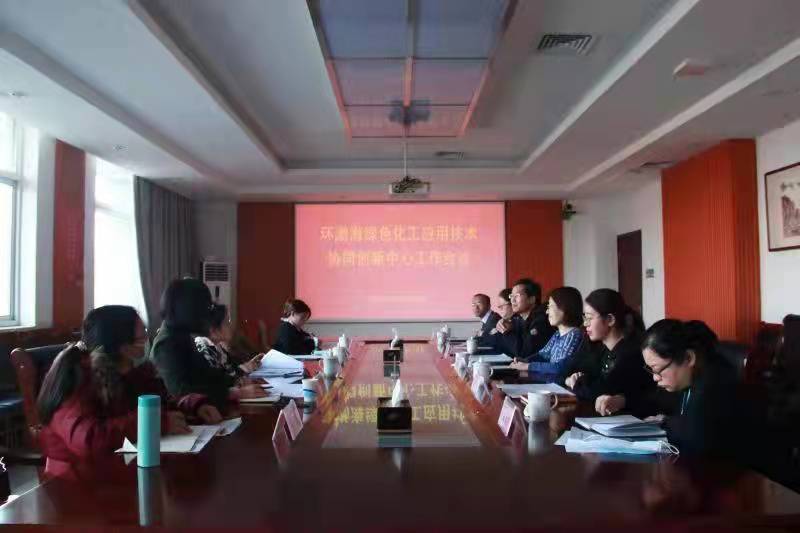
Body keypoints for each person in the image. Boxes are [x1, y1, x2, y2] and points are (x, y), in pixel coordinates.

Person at [37, 305, 222, 478]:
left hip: (119, 470)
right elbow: (88, 439)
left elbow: (162, 405)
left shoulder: (132, 371)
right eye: (142, 336)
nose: (148, 340)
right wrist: (155, 424)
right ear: (124, 347)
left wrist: (194, 405)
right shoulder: (77, 377)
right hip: (76, 482)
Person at [641, 319, 767, 460]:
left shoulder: (714, 390)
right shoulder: (692, 379)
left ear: (689, 358)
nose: (655, 377)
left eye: (657, 369)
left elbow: (694, 447)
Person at [150, 278, 266, 409]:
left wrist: (237, 381)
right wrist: (235, 393)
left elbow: (209, 375)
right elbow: (181, 391)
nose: (208, 314)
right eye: (206, 307)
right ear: (189, 310)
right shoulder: (165, 344)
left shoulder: (182, 335)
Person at [563, 289, 653, 416]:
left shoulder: (630, 354)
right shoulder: (603, 349)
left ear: (610, 320)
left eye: (589, 318)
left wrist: (577, 382)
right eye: (584, 317)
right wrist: (575, 379)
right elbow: (572, 369)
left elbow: (597, 391)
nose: (585, 324)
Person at [510, 287, 584, 379]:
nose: (547, 311)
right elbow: (543, 355)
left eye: (550, 306)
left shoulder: (574, 335)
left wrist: (528, 366)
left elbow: (559, 368)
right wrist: (525, 361)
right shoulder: (557, 334)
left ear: (565, 307)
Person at [194, 304, 264, 383]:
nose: (231, 326)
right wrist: (244, 370)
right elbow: (216, 382)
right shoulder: (202, 346)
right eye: (227, 323)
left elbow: (232, 373)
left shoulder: (219, 348)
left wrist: (249, 365)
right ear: (214, 331)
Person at [495, 278, 555, 359]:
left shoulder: (542, 320)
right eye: (511, 296)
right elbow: (502, 348)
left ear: (531, 299)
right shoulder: (517, 319)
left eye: (517, 296)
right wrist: (502, 327)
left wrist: (507, 332)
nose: (512, 300)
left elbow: (524, 353)